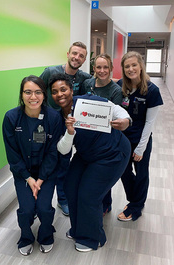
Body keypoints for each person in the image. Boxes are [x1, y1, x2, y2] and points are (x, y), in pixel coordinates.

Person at [49, 73, 131, 252]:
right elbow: (63, 150)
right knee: (70, 187)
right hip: (87, 154)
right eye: (54, 92)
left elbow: (115, 109)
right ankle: (79, 229)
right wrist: (70, 132)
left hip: (112, 153)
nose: (60, 94)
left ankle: (93, 238)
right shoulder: (57, 118)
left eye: (63, 89)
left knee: (89, 194)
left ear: (71, 90)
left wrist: (126, 120)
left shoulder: (87, 101)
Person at [2, 75, 62, 255]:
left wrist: (41, 179)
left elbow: (53, 152)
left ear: (44, 95)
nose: (33, 97)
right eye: (28, 92)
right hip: (23, 173)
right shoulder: (11, 118)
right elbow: (12, 154)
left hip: (47, 173)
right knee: (27, 209)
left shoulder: (53, 117)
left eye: (38, 92)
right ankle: (26, 237)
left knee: (44, 208)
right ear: (21, 95)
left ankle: (45, 235)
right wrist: (29, 179)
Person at [40, 41, 92, 216]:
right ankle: (37, 200)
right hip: (47, 124)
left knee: (63, 162)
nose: (77, 58)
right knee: (43, 161)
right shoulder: (50, 72)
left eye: (81, 56)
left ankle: (62, 199)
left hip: (67, 124)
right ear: (68, 54)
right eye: (74, 53)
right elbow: (37, 92)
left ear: (84, 60)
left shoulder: (84, 78)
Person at [115, 51, 163, 221]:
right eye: (127, 66)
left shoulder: (152, 90)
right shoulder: (121, 86)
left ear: (141, 66)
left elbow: (149, 123)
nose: (131, 69)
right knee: (123, 171)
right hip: (123, 139)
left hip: (141, 139)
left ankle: (136, 207)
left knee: (141, 173)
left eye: (134, 65)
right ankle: (136, 200)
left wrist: (141, 148)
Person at [81, 53, 123, 215]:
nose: (102, 70)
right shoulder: (87, 84)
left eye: (106, 67)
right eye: (99, 67)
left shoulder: (115, 91)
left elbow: (114, 116)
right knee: (89, 173)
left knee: (102, 174)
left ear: (111, 69)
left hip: (105, 139)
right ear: (94, 69)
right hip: (87, 137)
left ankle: (106, 204)